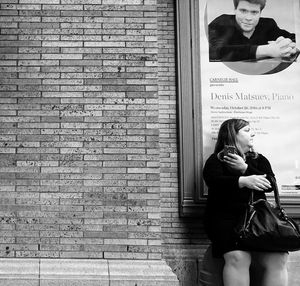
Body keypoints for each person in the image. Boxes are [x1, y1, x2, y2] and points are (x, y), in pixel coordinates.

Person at [203, 118, 288, 286]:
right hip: (225, 220)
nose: (253, 133)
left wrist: (245, 169)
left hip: (258, 221)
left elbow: (270, 184)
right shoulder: (216, 160)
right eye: (247, 130)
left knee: (278, 258)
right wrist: (243, 181)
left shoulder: (259, 159)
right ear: (233, 134)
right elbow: (213, 180)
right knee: (238, 257)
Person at [209, 0, 298, 62]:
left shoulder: (268, 24)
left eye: (254, 12)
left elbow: (294, 38)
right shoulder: (221, 23)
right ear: (235, 10)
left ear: (260, 13)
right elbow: (213, 52)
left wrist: (289, 46)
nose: (248, 18)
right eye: (243, 11)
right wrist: (267, 50)